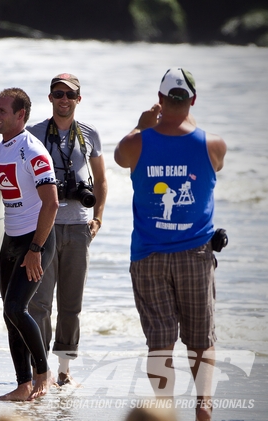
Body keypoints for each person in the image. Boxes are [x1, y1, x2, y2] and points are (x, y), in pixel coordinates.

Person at [114, 68, 226, 421]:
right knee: (201, 339)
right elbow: (212, 163)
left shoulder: (135, 143)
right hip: (195, 253)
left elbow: (119, 158)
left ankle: (166, 412)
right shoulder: (213, 144)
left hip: (149, 255)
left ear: (160, 100)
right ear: (192, 100)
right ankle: (203, 407)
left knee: (160, 343)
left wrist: (141, 124)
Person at [26, 73, 107, 386]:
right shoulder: (33, 134)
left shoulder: (89, 134)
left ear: (78, 100)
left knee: (71, 305)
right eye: (58, 94)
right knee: (39, 304)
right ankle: (39, 370)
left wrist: (98, 217)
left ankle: (64, 371)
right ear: (50, 98)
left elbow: (100, 180)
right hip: (41, 229)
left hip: (77, 226)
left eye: (70, 95)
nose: (64, 100)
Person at [0, 88, 58, 401]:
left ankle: (44, 372)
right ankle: (23, 384)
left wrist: (36, 249)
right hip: (9, 241)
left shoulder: (34, 151)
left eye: (2, 111)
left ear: (20, 115)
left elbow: (51, 204)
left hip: (35, 240)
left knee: (17, 307)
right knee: (8, 313)